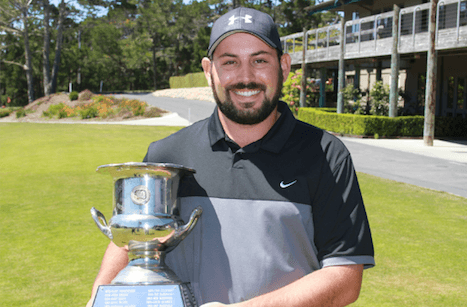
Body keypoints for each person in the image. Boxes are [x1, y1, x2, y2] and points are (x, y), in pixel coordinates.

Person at [87, 7, 374, 307]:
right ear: (209, 70)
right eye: (230, 62)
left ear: (284, 66)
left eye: (260, 60)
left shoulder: (326, 155)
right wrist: (98, 297)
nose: (245, 77)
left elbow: (345, 278)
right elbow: (132, 241)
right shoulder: (167, 155)